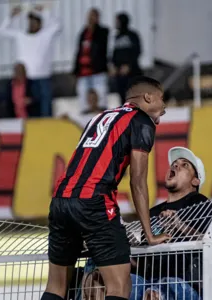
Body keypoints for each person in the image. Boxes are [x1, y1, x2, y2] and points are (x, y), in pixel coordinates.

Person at [42, 76, 169, 300]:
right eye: (162, 99)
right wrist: (149, 234)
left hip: (61, 200)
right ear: (148, 97)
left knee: (55, 288)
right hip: (94, 200)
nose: (165, 107)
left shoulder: (99, 117)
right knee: (120, 287)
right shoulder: (141, 120)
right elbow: (137, 182)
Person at [128, 146, 212, 300]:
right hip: (149, 283)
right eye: (174, 163)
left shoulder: (200, 203)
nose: (175, 165)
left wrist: (179, 225)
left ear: (195, 181)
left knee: (170, 284)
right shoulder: (152, 212)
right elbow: (140, 263)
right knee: (123, 281)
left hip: (184, 285)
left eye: (185, 165)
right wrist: (124, 244)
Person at [0, 4, 61, 117]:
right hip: (26, 80)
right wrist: (11, 16)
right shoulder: (21, 35)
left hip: (44, 78)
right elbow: (3, 31)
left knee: (45, 108)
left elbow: (58, 26)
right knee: (27, 109)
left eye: (35, 21)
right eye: (30, 21)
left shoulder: (45, 34)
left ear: (40, 23)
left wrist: (45, 12)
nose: (32, 24)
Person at [73, 8, 109, 113]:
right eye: (89, 16)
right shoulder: (83, 33)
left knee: (101, 97)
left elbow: (102, 50)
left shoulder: (102, 32)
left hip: (98, 71)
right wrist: (76, 70)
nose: (91, 18)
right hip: (83, 73)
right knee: (83, 98)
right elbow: (79, 52)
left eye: (93, 16)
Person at [110, 13, 143, 105]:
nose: (115, 24)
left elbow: (137, 51)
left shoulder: (132, 35)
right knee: (123, 99)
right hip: (120, 75)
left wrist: (129, 65)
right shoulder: (117, 37)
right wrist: (114, 66)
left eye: (117, 21)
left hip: (132, 73)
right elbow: (114, 54)